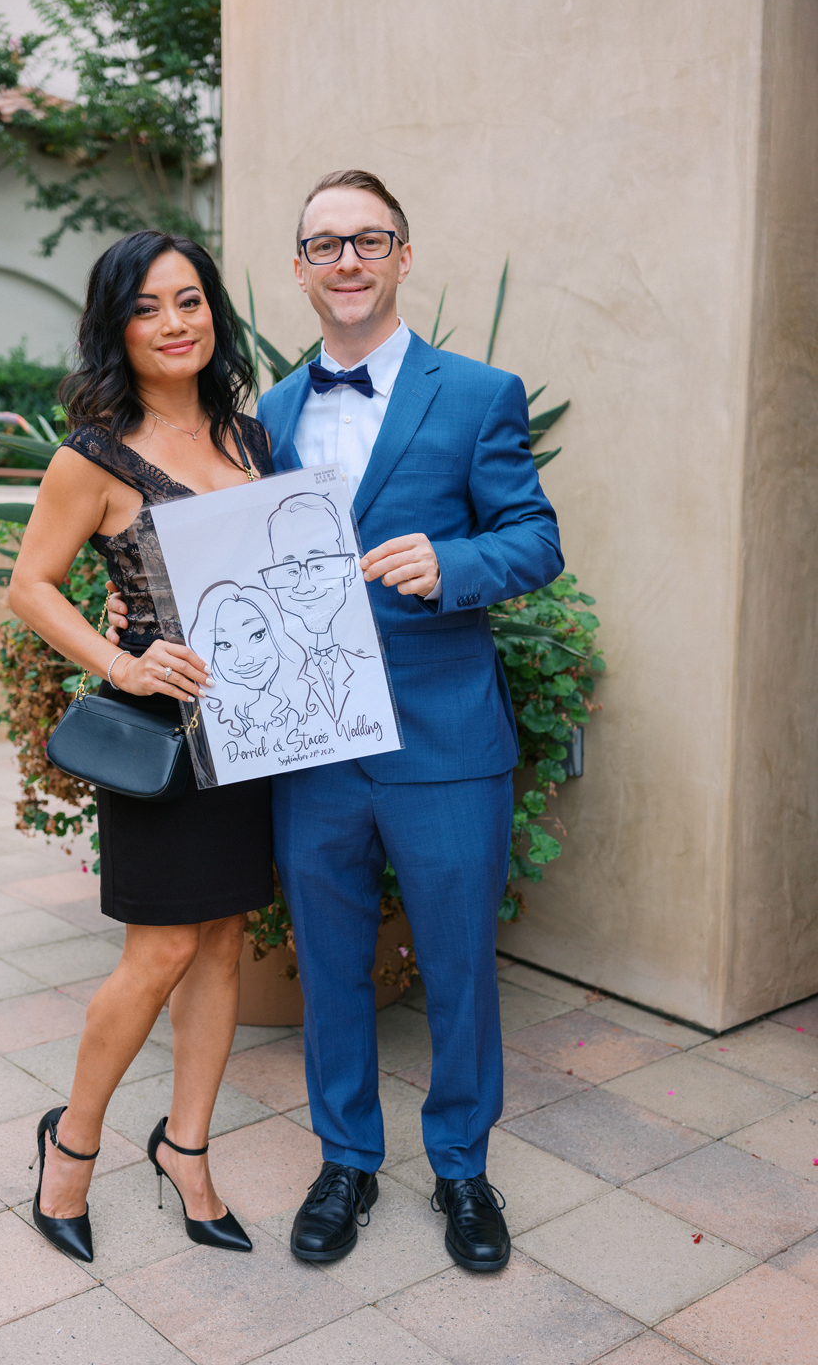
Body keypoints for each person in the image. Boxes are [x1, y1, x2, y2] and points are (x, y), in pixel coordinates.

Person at [260, 170, 563, 1272]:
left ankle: (462, 1172)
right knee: (329, 965)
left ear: (402, 255)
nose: (347, 259)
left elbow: (536, 537)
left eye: (368, 239)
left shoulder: (479, 393)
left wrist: (455, 561)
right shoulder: (270, 414)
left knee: (455, 966)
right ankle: (346, 1161)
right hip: (314, 746)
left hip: (441, 736)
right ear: (299, 266)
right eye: (324, 243)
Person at [8, 229, 275, 1263]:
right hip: (162, 740)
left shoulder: (253, 442)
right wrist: (118, 664)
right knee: (160, 947)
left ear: (215, 312)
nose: (175, 324)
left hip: (248, 731)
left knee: (221, 944)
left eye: (191, 301)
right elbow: (31, 585)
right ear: (118, 325)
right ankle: (70, 1148)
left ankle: (187, 1149)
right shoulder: (94, 455)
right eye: (150, 307)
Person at [260, 492, 374, 726]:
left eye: (319, 566)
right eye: (290, 569)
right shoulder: (263, 686)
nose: (305, 586)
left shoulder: (370, 665)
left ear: (349, 564)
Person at [188, 581, 314, 744]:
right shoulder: (210, 715)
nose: (243, 660)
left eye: (258, 635)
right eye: (225, 645)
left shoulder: (315, 690)